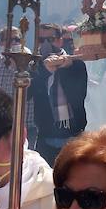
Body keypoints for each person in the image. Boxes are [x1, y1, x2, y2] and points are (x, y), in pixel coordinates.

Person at [31, 23, 88, 165]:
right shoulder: (34, 65)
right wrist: (45, 71)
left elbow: (79, 96)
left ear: (60, 40)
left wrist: (65, 69)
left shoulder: (75, 63)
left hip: (73, 134)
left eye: (49, 39)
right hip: (46, 134)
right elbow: (28, 93)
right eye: (41, 40)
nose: (45, 45)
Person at [0, 27, 37, 148]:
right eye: (10, 40)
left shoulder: (31, 63)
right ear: (1, 43)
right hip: (1, 125)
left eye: (17, 39)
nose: (14, 43)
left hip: (26, 125)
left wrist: (18, 65)